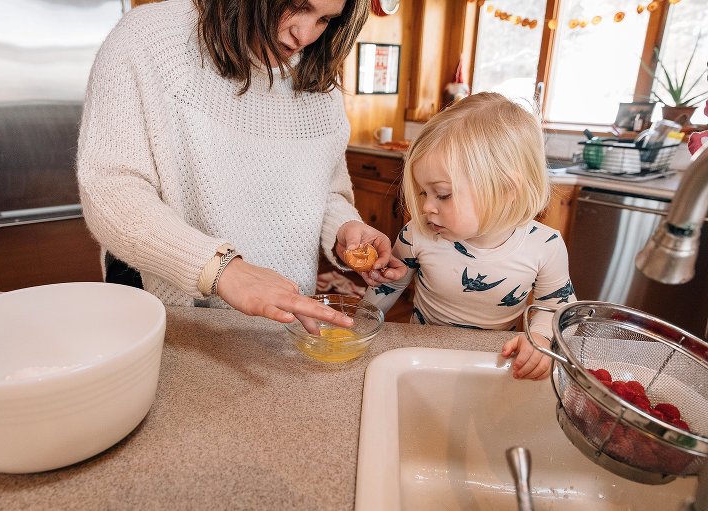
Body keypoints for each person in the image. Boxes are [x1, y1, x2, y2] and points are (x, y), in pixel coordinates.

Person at [77, 0, 406, 330]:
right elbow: (110, 188)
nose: (304, 35)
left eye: (324, 20)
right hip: (171, 310)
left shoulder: (318, 82)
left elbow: (325, 191)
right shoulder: (147, 39)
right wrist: (220, 269)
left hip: (282, 321)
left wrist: (345, 228)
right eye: (296, 6)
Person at [363, 92, 576, 380]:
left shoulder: (545, 246)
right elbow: (388, 286)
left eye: (443, 194)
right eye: (424, 192)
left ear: (505, 189)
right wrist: (359, 326)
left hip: (493, 364)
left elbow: (557, 307)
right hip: (420, 358)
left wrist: (539, 338)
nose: (426, 206)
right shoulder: (418, 234)